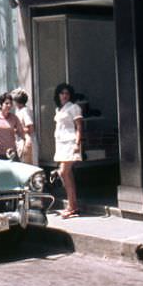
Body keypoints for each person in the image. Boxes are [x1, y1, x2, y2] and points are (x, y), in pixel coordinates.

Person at [54, 82, 83, 218]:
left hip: (70, 142)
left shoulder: (74, 108)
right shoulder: (59, 109)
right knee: (67, 174)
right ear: (58, 95)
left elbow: (79, 127)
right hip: (61, 143)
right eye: (62, 93)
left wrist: (77, 143)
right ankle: (73, 205)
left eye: (67, 93)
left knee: (63, 172)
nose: (64, 96)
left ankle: (71, 206)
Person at [0, 92, 24, 160]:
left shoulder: (14, 118)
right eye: (6, 103)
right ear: (0, 105)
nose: (9, 105)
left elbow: (21, 133)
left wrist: (24, 147)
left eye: (10, 103)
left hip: (11, 154)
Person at [11, 88, 38, 165]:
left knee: (28, 165)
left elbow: (31, 128)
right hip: (19, 141)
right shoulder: (18, 111)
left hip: (27, 142)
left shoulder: (25, 111)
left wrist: (16, 130)